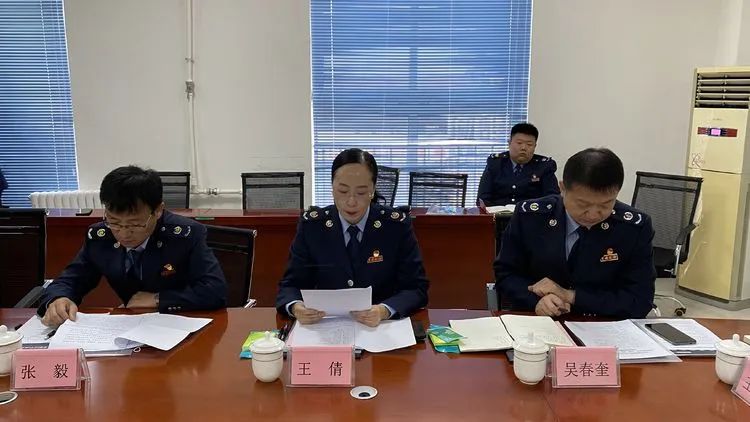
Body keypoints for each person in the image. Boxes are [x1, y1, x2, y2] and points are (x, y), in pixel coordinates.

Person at [38, 166, 227, 326]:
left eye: (135, 224)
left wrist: (158, 299)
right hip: (131, 328)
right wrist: (57, 299)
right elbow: (70, 281)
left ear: (158, 210)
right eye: (114, 222)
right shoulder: (100, 238)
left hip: (181, 324)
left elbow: (215, 291)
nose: (124, 233)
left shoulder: (185, 235)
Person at [495, 148, 655, 319]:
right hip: (538, 322)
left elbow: (640, 299)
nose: (593, 214)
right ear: (562, 188)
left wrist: (571, 296)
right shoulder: (530, 217)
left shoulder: (633, 228)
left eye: (605, 204)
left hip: (603, 324)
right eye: (583, 204)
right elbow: (506, 275)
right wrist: (536, 301)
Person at [276, 148, 429, 327]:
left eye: (361, 192)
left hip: (381, 329)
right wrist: (296, 307)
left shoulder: (395, 227)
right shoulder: (312, 227)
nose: (351, 202)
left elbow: (416, 288)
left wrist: (384, 310)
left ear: (373, 190)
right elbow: (290, 285)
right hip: (325, 328)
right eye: (342, 191)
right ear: (332, 188)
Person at [477, 122, 559, 206]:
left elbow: (552, 199)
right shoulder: (495, 163)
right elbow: (483, 199)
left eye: (529, 144)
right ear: (509, 143)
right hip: (497, 213)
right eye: (519, 143)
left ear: (535, 146)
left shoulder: (544, 166)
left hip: (531, 213)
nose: (523, 148)